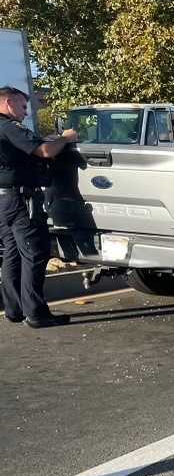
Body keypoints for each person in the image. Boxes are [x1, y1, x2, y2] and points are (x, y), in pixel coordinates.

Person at [0, 86, 79, 328]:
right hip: (22, 200)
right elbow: (44, 151)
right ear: (8, 103)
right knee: (34, 253)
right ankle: (36, 313)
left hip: (5, 200)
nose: (25, 112)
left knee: (13, 254)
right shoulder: (8, 126)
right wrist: (66, 138)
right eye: (23, 106)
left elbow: (32, 147)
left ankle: (15, 310)